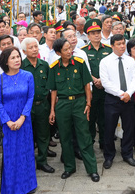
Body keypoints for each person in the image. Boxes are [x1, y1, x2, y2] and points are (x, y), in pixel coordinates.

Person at [47, 38, 99, 182]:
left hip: (79, 103)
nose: (70, 51)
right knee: (65, 137)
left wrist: (88, 103)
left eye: (70, 48)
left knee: (84, 136)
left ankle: (92, 169)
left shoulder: (80, 63)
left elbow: (87, 85)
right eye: (65, 49)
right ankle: (69, 167)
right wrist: (52, 110)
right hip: (62, 105)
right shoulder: (53, 68)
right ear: (58, 52)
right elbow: (54, 91)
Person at [0, 47, 37, 194]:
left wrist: (22, 117)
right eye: (13, 58)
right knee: (11, 155)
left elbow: (30, 97)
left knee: (25, 152)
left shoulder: (28, 76)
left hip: (24, 121)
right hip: (8, 123)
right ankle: (11, 187)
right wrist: (7, 121)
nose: (17, 60)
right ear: (5, 61)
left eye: (18, 57)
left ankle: (28, 185)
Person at [100, 34, 135, 169]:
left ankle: (127, 154)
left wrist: (128, 93)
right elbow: (105, 82)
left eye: (123, 43)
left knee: (129, 127)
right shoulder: (105, 61)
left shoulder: (130, 60)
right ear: (112, 46)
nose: (122, 46)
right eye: (119, 44)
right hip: (112, 99)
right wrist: (121, 93)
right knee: (109, 128)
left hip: (128, 99)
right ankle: (109, 156)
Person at [20, 37, 55, 174]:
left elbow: (50, 86)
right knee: (27, 136)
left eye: (36, 47)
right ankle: (28, 163)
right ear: (24, 51)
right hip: (26, 107)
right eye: (31, 47)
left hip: (42, 105)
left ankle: (42, 161)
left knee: (43, 134)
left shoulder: (44, 65)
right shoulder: (21, 66)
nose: (35, 49)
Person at [80, 19, 112, 149]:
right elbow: (84, 70)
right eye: (93, 33)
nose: (97, 35)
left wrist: (103, 81)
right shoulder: (83, 51)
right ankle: (90, 142)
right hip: (91, 90)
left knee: (104, 118)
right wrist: (95, 80)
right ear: (88, 36)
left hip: (106, 89)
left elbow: (112, 68)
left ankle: (104, 143)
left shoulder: (109, 50)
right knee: (90, 118)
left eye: (98, 32)